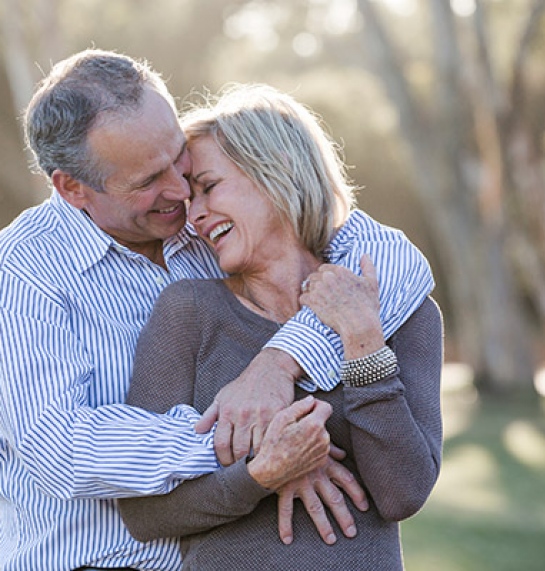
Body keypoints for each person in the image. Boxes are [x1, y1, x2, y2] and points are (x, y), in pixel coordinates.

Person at [0, 49, 433, 571]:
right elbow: (60, 451)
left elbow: (391, 261)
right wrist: (259, 446)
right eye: (147, 181)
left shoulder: (208, 229)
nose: (180, 191)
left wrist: (279, 363)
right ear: (72, 187)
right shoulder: (16, 275)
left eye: (179, 161)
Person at [117, 84, 443, 570]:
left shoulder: (400, 312)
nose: (197, 215)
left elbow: (403, 495)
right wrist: (262, 475)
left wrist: (362, 343)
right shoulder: (188, 312)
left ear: (279, 170)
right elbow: (143, 513)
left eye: (208, 187)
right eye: (191, 200)